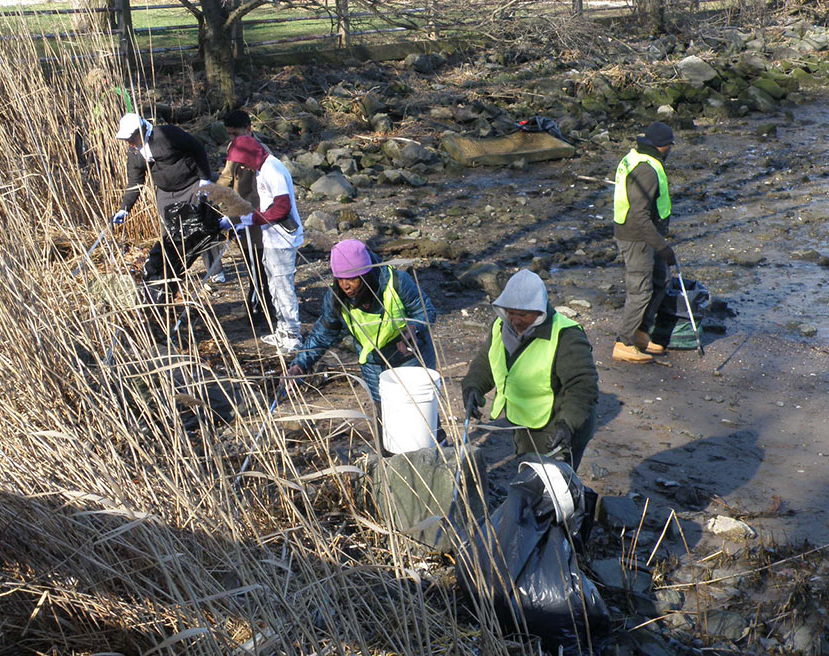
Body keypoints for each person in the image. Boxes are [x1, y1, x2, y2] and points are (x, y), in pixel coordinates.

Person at [461, 269, 598, 469]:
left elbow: (582, 386)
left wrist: (568, 424)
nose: (515, 320)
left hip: (559, 422)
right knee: (527, 472)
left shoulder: (566, 336)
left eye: (522, 314)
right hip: (524, 419)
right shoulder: (501, 326)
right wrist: (473, 387)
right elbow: (486, 361)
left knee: (554, 485)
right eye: (510, 313)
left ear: (538, 310)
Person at [287, 240, 437, 409]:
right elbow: (323, 334)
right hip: (373, 364)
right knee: (385, 416)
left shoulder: (397, 283)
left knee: (420, 414)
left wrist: (413, 328)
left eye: (352, 278)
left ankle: (439, 437)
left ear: (366, 274)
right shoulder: (336, 298)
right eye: (340, 279)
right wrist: (300, 365)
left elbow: (427, 311)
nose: (345, 286)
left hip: (410, 358)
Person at [220, 134, 304, 354]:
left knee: (283, 287)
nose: (241, 166)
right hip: (271, 237)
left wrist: (253, 219)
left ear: (249, 156)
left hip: (282, 238)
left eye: (241, 160)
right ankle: (282, 330)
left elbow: (282, 207)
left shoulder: (272, 170)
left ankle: (293, 335)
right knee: (274, 286)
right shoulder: (262, 169)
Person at [111, 112, 220, 280]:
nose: (129, 143)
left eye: (131, 138)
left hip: (191, 185)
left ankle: (215, 271)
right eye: (126, 139)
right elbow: (135, 182)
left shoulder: (166, 134)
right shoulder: (134, 153)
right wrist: (124, 209)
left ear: (140, 131)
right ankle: (172, 274)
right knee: (169, 235)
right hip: (166, 193)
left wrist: (204, 179)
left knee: (200, 227)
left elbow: (197, 148)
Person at [612, 121, 677, 364]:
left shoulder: (637, 157)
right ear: (662, 146)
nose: (671, 149)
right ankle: (624, 343)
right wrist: (662, 246)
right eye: (669, 145)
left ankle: (641, 332)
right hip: (637, 237)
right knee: (640, 291)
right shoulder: (647, 171)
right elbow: (639, 215)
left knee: (661, 280)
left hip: (645, 234)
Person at [217, 110, 272, 323]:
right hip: (239, 213)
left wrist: (250, 215)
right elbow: (227, 176)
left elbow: (262, 191)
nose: (232, 139)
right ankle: (255, 304)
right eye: (229, 135)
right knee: (250, 264)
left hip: (257, 215)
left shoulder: (262, 152)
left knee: (258, 263)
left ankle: (261, 309)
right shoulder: (235, 148)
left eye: (236, 133)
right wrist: (210, 194)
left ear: (249, 129)